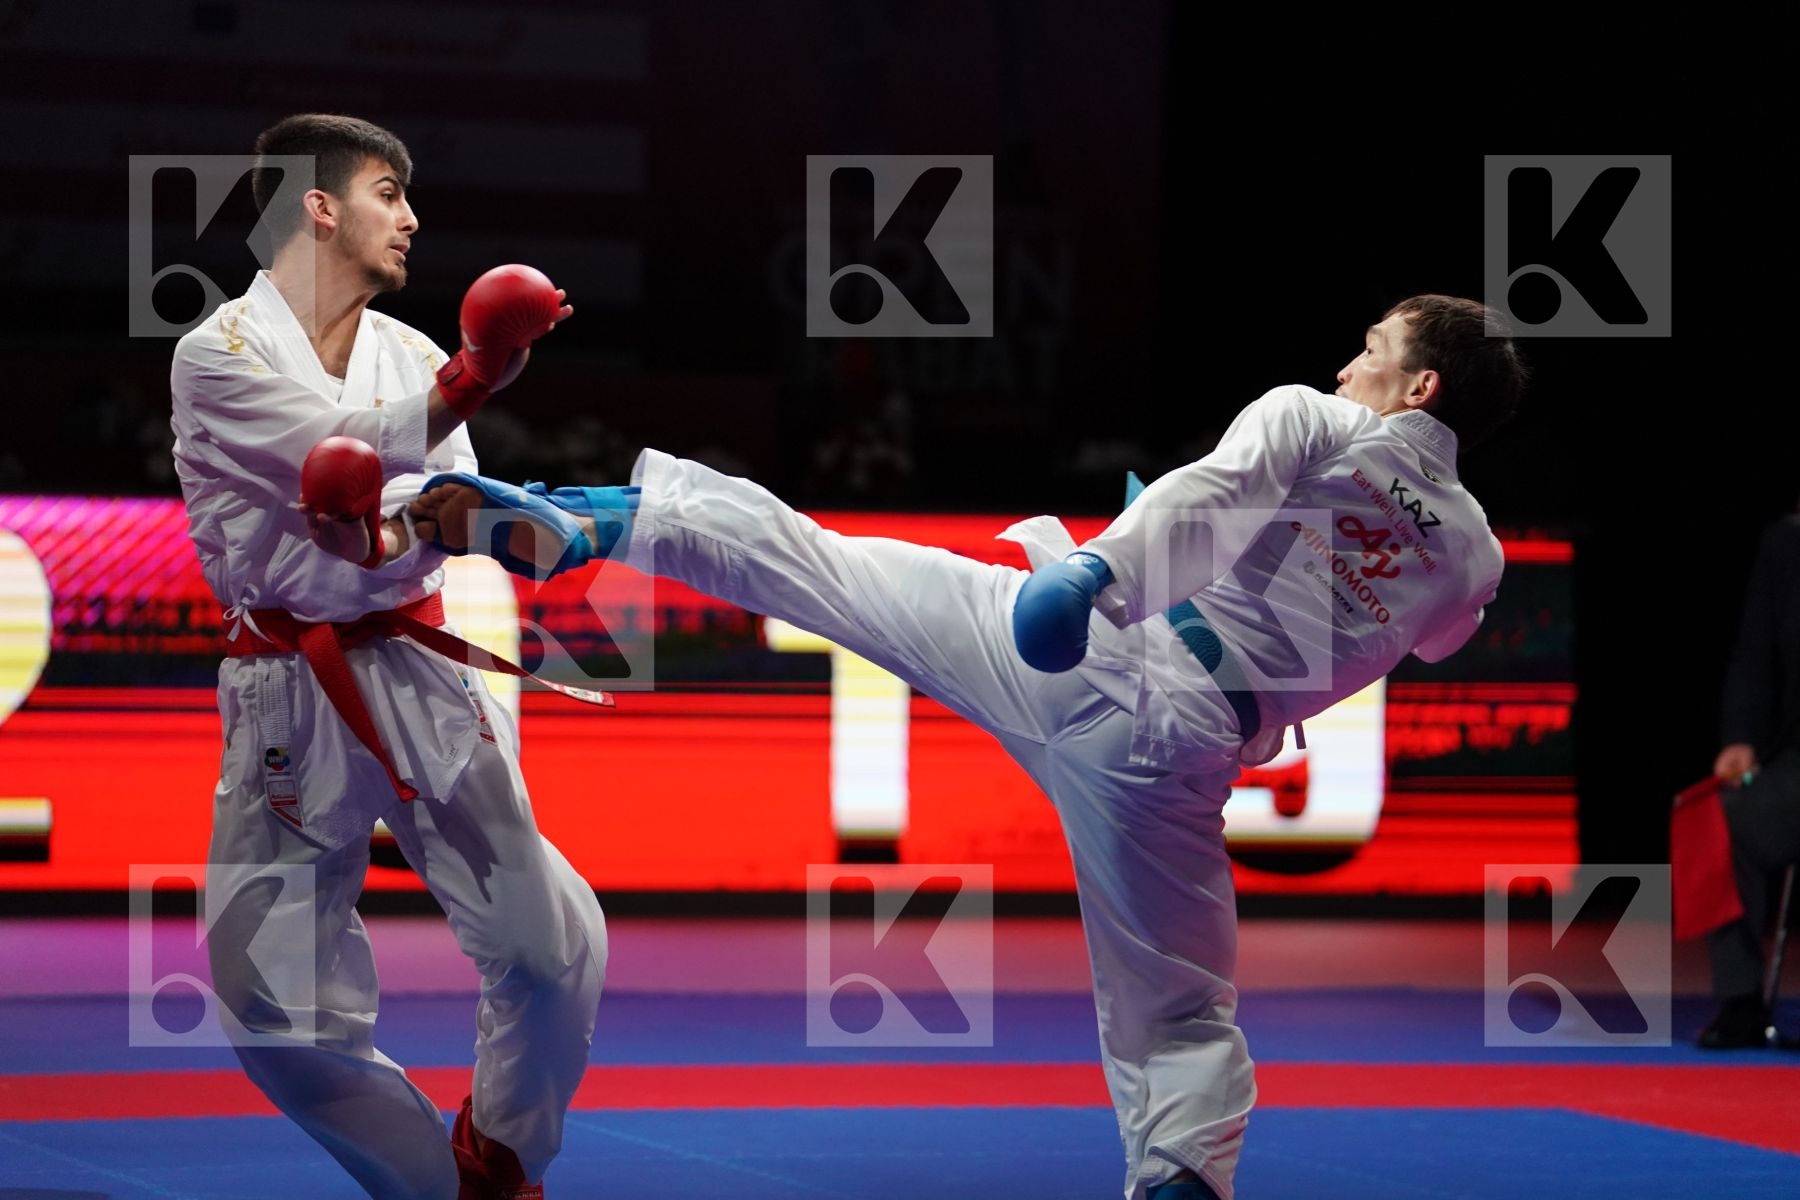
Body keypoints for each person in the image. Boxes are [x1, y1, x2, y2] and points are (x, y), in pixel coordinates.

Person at [396, 295, 1523, 1200]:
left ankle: (589, 519)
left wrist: (1099, 570)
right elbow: (1411, 634)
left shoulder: (1313, 420)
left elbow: (1212, 496)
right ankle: (1178, 1176)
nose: (1345, 367)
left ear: (1419, 383)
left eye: (1371, 350)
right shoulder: (1476, 561)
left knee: (819, 567)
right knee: (1178, 1014)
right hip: (1180, 760)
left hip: (1085, 645)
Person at [169, 113, 602, 1200]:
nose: (410, 220)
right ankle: (435, 1183)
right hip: (285, 683)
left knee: (551, 951)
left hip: (415, 663)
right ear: (318, 206)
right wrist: (477, 374)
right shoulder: (216, 352)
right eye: (387, 195)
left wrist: (386, 535)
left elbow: (436, 506)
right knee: (267, 1002)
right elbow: (338, 447)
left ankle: (504, 1153)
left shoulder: (407, 348)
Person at [1699, 512, 1800, 1048]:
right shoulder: (1787, 542)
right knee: (1725, 816)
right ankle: (1739, 1002)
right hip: (1796, 765)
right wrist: (1740, 738)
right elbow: (1755, 654)